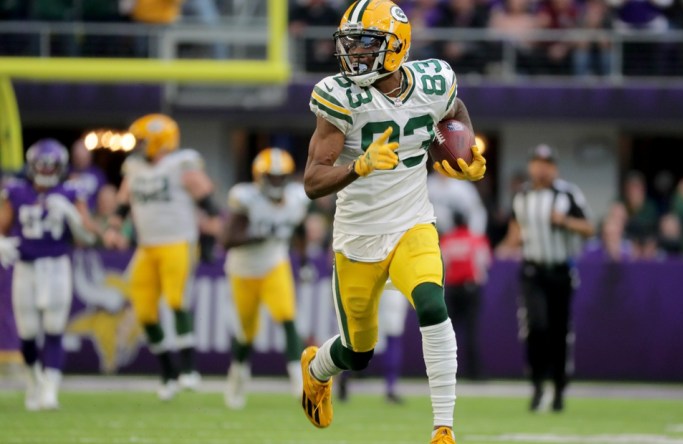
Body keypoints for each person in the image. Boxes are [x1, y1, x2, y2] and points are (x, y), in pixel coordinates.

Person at [299, 1, 487, 442]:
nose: (355, 53)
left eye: (367, 43)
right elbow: (311, 181)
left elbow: (454, 112)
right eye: (351, 42)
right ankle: (316, 369)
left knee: (432, 305)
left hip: (412, 223)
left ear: (396, 47)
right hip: (357, 236)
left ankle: (444, 428)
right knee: (357, 352)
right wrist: (358, 167)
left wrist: (466, 155)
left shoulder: (433, 81)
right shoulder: (339, 96)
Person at [102, 113, 222, 401]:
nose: (139, 146)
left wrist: (210, 236)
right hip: (147, 246)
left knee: (176, 300)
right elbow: (122, 205)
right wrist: (114, 230)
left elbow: (209, 203)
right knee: (143, 311)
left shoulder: (182, 165)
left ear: (160, 141)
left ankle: (189, 370)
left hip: (178, 242)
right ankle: (168, 373)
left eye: (143, 141)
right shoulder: (134, 168)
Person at [0, 139, 97, 410]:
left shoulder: (71, 192)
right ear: (31, 166)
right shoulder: (16, 192)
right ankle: (33, 380)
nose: (45, 170)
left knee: (54, 329)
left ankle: (50, 390)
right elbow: (2, 226)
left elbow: (89, 237)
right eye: (41, 165)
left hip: (56, 267)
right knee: (28, 333)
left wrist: (72, 217)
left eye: (50, 165)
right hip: (26, 268)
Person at [501, 144, 595, 412]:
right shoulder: (522, 196)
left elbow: (589, 227)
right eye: (537, 163)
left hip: (560, 270)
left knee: (559, 332)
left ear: (555, 167)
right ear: (531, 166)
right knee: (536, 326)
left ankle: (559, 389)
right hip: (533, 270)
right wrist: (502, 248)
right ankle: (537, 385)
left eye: (547, 163)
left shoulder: (567, 194)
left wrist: (565, 221)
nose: (542, 168)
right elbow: (516, 232)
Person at [221, 147, 309, 409]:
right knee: (246, 332)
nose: (277, 182)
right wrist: (255, 237)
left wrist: (303, 261)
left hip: (274, 264)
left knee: (287, 317)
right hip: (243, 270)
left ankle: (298, 381)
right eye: (272, 177)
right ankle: (237, 377)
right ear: (260, 177)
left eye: (281, 177)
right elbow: (226, 239)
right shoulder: (246, 199)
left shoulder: (296, 199)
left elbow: (300, 229)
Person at [440, 211, 491, 380]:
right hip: (470, 288)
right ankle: (474, 373)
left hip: (452, 290)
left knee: (447, 333)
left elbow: (441, 265)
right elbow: (486, 262)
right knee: (471, 331)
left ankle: (446, 372)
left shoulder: (447, 239)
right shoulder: (475, 239)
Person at [68, 138, 114, 215]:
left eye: (83, 155)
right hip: (71, 212)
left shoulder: (97, 173)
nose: (80, 158)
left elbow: (105, 195)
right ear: (73, 156)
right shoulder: (67, 172)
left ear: (90, 156)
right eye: (78, 155)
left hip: (93, 213)